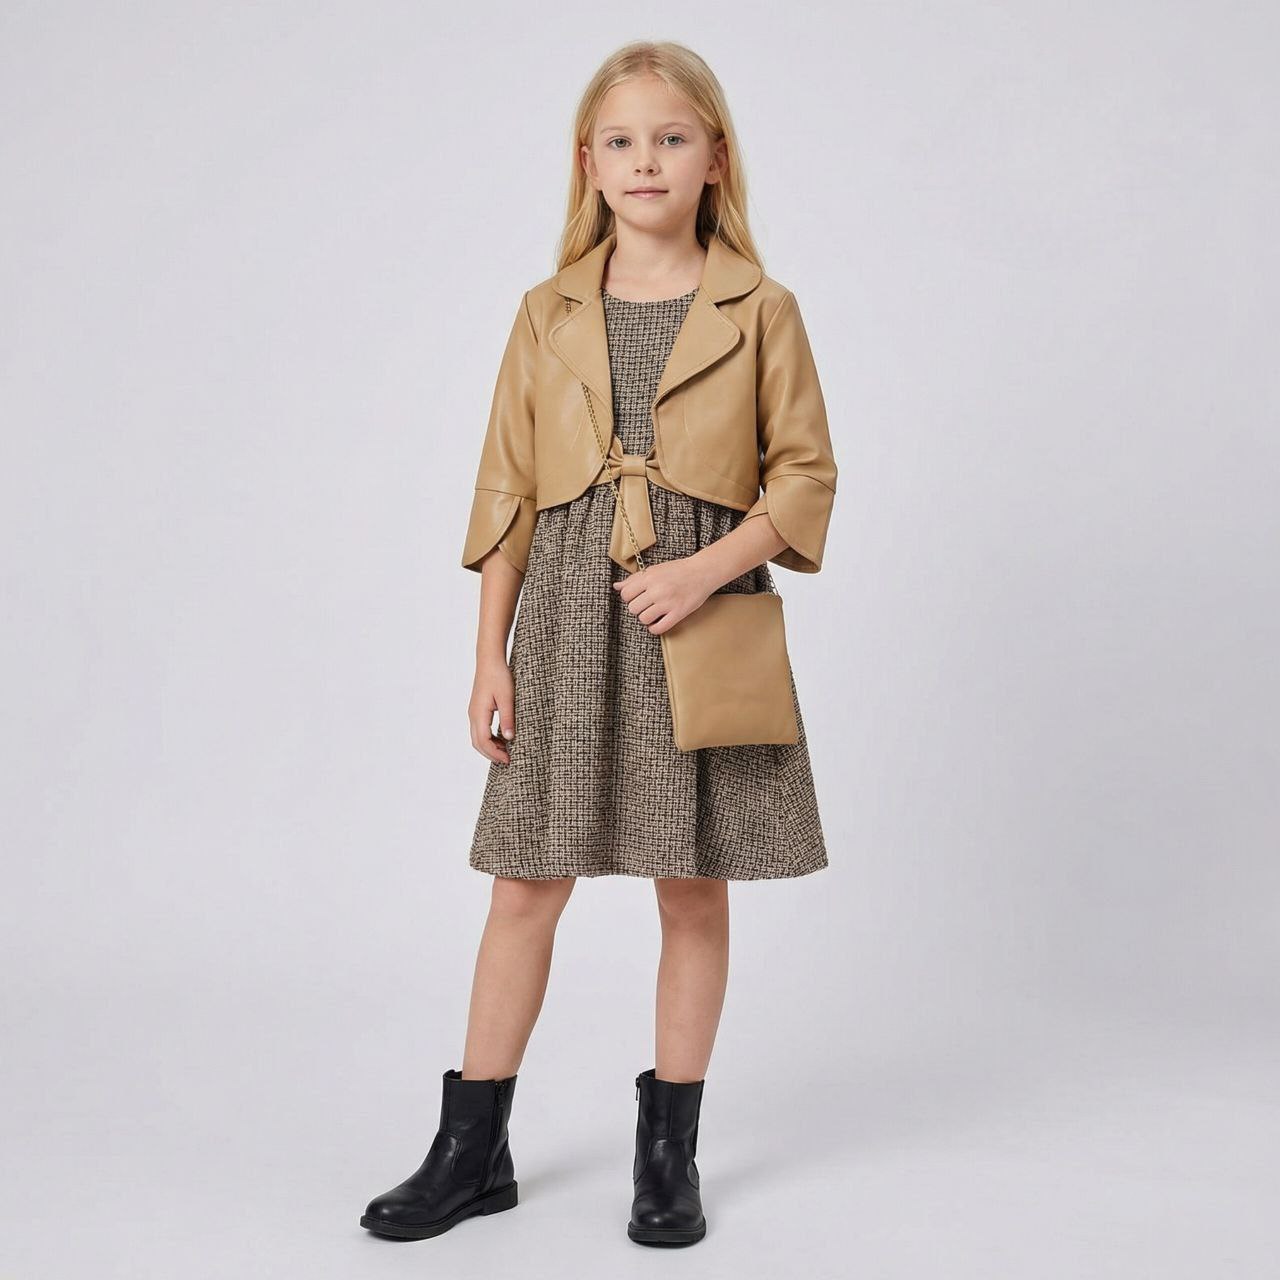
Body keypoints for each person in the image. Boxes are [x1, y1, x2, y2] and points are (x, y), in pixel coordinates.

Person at [360, 39, 838, 1248]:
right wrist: (490, 654)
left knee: (693, 883)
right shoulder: (546, 312)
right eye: (620, 141)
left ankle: (667, 1154)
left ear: (714, 158)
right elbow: (506, 492)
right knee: (526, 881)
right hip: (570, 617)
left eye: (670, 138)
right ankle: (470, 1150)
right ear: (587, 163)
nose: (644, 160)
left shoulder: (760, 309)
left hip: (698, 620)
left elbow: (803, 477)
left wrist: (701, 569)